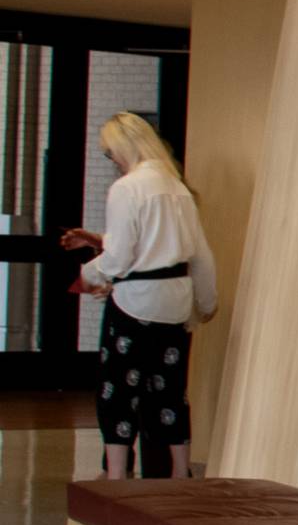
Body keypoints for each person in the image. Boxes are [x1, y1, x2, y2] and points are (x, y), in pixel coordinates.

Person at [61, 112, 219, 479]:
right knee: (170, 390)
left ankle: (116, 475)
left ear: (122, 146)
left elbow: (119, 257)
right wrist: (207, 303)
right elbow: (200, 255)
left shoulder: (127, 189)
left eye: (109, 152)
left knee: (119, 388)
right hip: (176, 302)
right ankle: (181, 473)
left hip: (135, 303)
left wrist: (88, 274)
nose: (111, 159)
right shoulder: (178, 188)